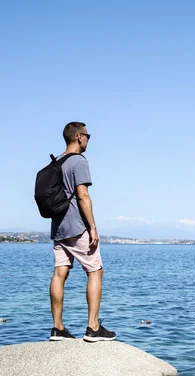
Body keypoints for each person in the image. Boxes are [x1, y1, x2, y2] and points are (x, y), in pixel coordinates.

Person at [49, 121, 116, 342]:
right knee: (95, 271)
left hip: (58, 227)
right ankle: (93, 327)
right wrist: (93, 227)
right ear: (79, 137)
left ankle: (58, 328)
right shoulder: (78, 161)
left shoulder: (57, 161)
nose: (88, 140)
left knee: (60, 273)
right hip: (77, 226)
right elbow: (83, 196)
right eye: (88, 135)